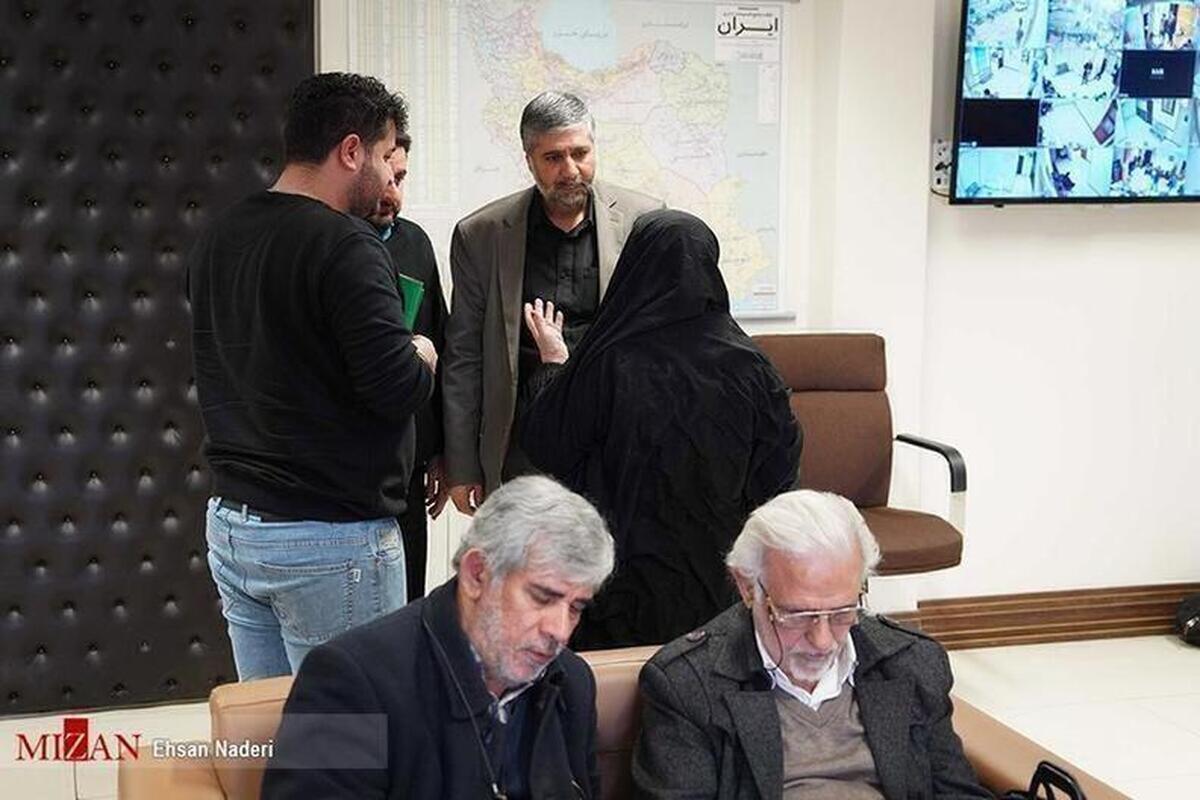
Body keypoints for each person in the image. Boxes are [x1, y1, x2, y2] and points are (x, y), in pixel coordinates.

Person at [187, 73, 437, 680]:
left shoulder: (221, 235)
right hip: (330, 539)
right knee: (349, 729)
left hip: (235, 526)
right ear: (351, 151)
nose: (389, 176)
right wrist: (422, 354)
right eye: (385, 156)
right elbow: (395, 388)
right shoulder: (348, 245)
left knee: (271, 718)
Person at [520, 209, 801, 648]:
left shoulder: (608, 360)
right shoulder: (750, 366)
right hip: (717, 591)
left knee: (617, 688)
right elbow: (778, 476)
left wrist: (555, 363)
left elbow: (549, 444)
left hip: (616, 589)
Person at [261, 475, 616, 800]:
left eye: (576, 607)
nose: (560, 630)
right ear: (477, 574)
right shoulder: (350, 682)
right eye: (542, 597)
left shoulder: (572, 682)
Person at [631, 490, 991, 799]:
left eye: (842, 612)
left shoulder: (911, 663)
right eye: (797, 615)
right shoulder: (688, 686)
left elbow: (956, 792)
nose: (822, 641)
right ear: (748, 588)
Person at [442, 90, 663, 514]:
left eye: (580, 153)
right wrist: (463, 464)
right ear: (529, 160)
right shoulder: (482, 234)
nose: (571, 170)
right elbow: (464, 357)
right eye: (553, 158)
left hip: (616, 444)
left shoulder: (644, 221)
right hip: (524, 451)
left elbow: (662, 344)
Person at [367, 131, 450, 600]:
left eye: (400, 179)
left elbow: (441, 339)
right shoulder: (330, 244)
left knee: (408, 599)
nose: (393, 194)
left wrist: (441, 450)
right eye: (385, 178)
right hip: (352, 472)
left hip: (409, 466)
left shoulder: (415, 241)